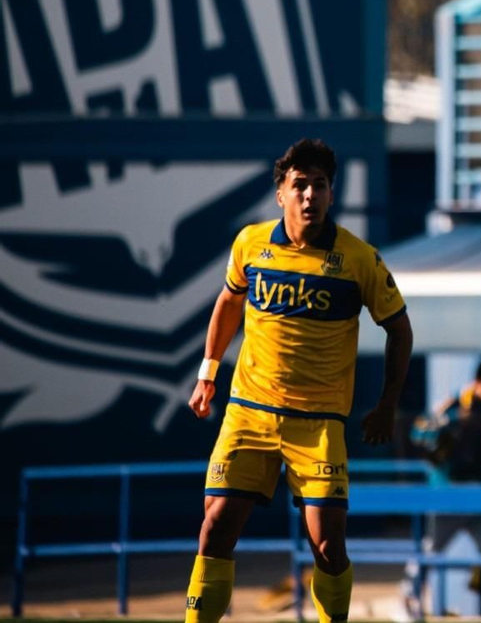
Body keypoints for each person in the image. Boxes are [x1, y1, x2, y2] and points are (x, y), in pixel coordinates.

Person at [184, 139, 413, 623]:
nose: (310, 195)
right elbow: (229, 302)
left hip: (319, 423)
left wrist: (388, 403)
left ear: (331, 194)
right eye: (300, 185)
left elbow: (399, 328)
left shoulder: (359, 259)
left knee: (328, 545)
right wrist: (208, 373)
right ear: (281, 194)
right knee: (215, 527)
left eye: (320, 185)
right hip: (250, 411)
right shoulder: (251, 244)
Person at [404, 356, 481, 617]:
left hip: (478, 496)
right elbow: (419, 435)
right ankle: (409, 598)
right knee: (430, 550)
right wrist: (451, 422)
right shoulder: (455, 404)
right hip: (449, 495)